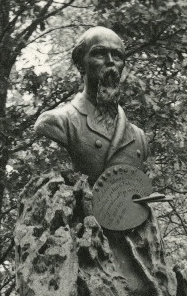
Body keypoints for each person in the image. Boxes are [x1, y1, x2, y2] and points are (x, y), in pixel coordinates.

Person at [34, 26, 148, 183]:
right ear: (80, 64)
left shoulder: (139, 138)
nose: (110, 61)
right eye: (100, 53)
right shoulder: (57, 123)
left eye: (117, 56)